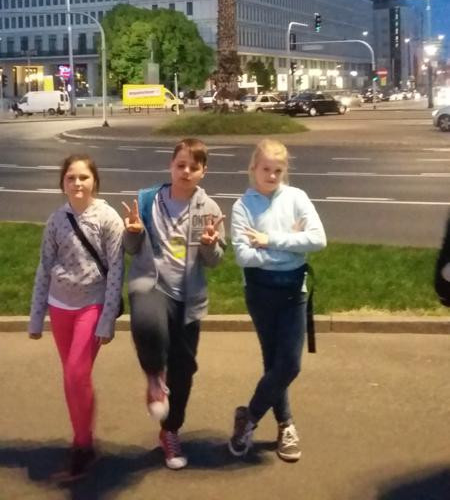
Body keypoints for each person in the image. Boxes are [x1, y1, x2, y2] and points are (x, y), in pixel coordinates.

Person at [122, 137, 226, 470]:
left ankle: (170, 431)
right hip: (152, 283)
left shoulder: (209, 210)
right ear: (171, 165)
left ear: (203, 171)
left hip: (188, 296)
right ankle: (155, 376)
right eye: (180, 165)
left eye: (193, 167)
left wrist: (209, 244)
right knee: (147, 323)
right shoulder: (148, 200)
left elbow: (215, 261)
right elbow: (131, 249)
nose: (186, 171)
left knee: (184, 371)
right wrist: (133, 233)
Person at [228, 138, 326, 462]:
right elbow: (244, 256)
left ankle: (249, 417)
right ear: (253, 168)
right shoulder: (243, 206)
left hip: (293, 292)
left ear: (285, 171)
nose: (271, 176)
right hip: (260, 293)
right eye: (266, 169)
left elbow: (318, 240)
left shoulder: (297, 198)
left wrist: (269, 240)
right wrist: (292, 247)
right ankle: (286, 424)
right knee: (274, 363)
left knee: (289, 364)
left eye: (278, 170)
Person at [29, 154, 124, 481]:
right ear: (63, 183)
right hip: (59, 306)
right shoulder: (56, 220)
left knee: (76, 373)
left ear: (95, 181)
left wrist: (107, 319)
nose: (77, 183)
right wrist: (36, 316)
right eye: (71, 177)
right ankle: (81, 440)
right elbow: (44, 266)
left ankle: (83, 446)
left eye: (84, 177)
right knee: (72, 379)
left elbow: (116, 272)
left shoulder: (108, 218)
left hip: (91, 306)